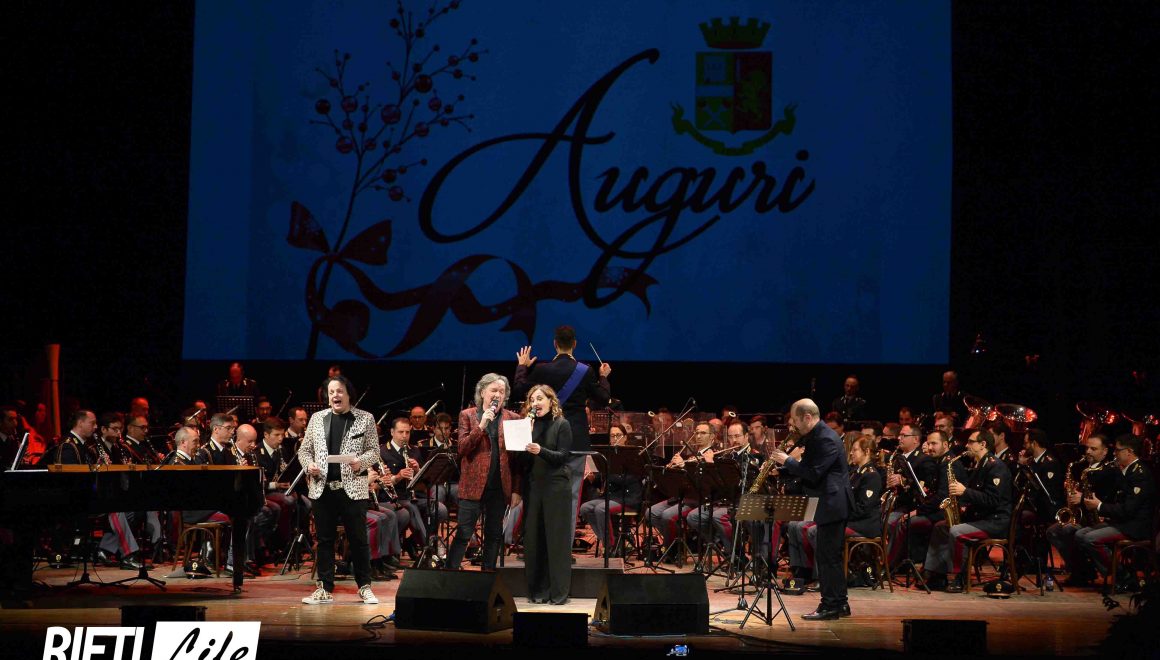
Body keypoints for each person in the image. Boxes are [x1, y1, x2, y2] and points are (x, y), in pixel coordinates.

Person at [515, 325, 611, 528]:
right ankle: (564, 546)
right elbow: (603, 398)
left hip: (546, 441)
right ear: (574, 344)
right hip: (575, 442)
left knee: (543, 492)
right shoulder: (585, 371)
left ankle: (544, 542)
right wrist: (603, 377)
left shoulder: (542, 369)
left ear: (555, 344)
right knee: (571, 497)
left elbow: (519, 389)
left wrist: (523, 366)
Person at [298, 375, 380, 605]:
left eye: (340, 391)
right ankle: (324, 588)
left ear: (349, 394)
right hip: (322, 488)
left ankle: (364, 587)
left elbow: (374, 451)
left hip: (352, 488)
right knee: (325, 540)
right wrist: (309, 465)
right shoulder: (317, 418)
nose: (335, 395)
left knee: (358, 540)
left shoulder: (365, 418)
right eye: (332, 392)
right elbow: (304, 451)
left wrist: (360, 462)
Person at [769, 399, 853, 621]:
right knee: (829, 557)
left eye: (795, 421)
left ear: (807, 417)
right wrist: (782, 471)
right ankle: (840, 603)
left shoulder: (825, 438)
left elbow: (814, 473)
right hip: (828, 503)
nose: (793, 426)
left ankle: (830, 606)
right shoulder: (817, 436)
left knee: (828, 558)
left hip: (832, 504)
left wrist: (787, 460)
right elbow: (809, 468)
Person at [445, 373, 523, 571]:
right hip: (473, 486)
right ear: (482, 392)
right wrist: (481, 426)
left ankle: (488, 574)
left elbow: (518, 461)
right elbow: (462, 448)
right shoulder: (468, 415)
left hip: (499, 487)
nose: (498, 395)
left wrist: (516, 489)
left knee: (494, 534)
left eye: (501, 391)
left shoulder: (514, 419)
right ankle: (450, 573)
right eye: (493, 390)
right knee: (464, 532)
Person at [922, 429, 1012, 592]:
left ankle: (959, 577)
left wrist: (964, 492)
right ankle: (936, 575)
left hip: (995, 521)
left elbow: (993, 500)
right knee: (941, 527)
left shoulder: (996, 467)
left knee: (957, 532)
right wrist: (961, 505)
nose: (966, 445)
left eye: (971, 442)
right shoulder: (980, 465)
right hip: (980, 518)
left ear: (982, 444)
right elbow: (974, 495)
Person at [1075, 434, 1156, 593]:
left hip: (1134, 527)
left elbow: (1128, 510)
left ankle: (1123, 576)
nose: (1114, 454)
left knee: (1091, 538)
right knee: (1080, 533)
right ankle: (1114, 573)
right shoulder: (1125, 470)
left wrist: (1100, 506)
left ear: (1129, 452)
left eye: (1118, 450)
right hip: (1122, 522)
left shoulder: (1140, 475)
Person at [521, 385, 573, 604]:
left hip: (556, 487)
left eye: (540, 398)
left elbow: (563, 456)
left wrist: (540, 450)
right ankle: (538, 591)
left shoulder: (561, 424)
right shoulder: (528, 426)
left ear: (551, 401)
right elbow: (522, 462)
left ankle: (558, 592)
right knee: (534, 539)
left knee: (556, 540)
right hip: (534, 487)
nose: (535, 403)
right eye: (532, 400)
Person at [579, 424, 643, 555]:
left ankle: (610, 546)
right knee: (585, 508)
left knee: (601, 509)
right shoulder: (607, 454)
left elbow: (631, 478)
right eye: (612, 436)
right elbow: (602, 480)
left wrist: (609, 473)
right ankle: (607, 540)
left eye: (618, 435)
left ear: (625, 437)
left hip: (628, 497)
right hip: (611, 496)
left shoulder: (633, 454)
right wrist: (593, 478)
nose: (615, 439)